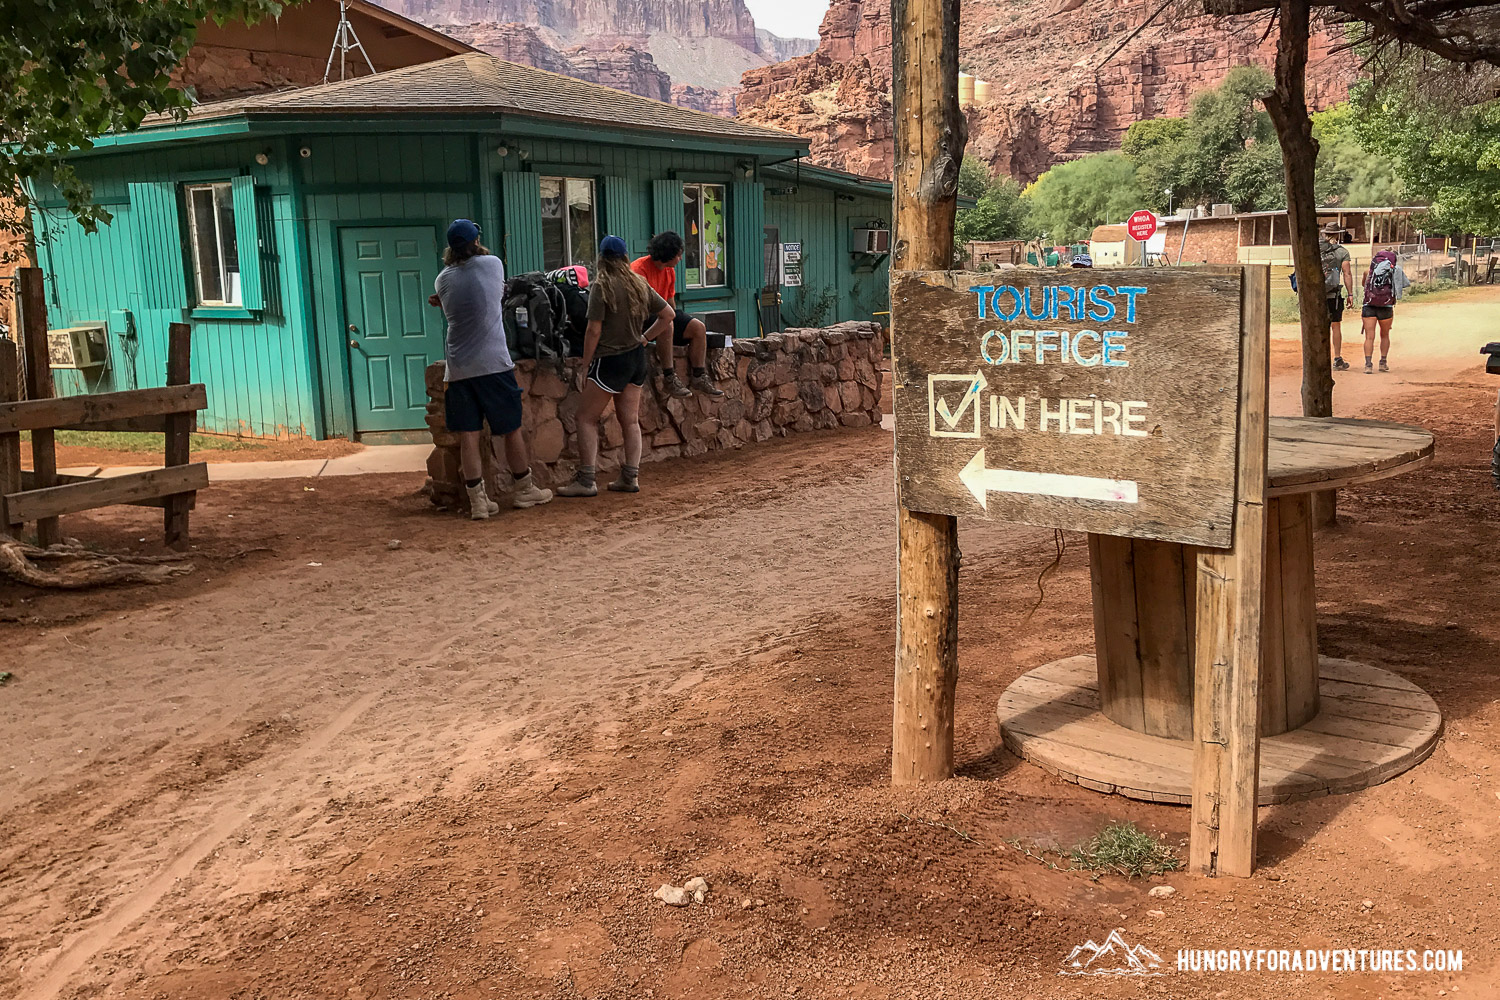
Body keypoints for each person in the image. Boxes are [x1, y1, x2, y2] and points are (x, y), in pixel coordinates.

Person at [428, 219, 553, 519]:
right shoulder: (492, 264)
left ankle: (478, 501)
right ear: (475, 242)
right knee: (510, 429)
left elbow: (453, 307)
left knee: (469, 435)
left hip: (458, 367)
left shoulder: (442, 279)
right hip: (493, 363)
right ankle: (524, 489)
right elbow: (494, 297)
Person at [556, 235, 675, 497]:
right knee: (630, 421)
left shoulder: (602, 287)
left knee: (585, 418)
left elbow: (593, 330)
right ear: (624, 257)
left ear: (601, 258)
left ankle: (587, 479)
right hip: (636, 358)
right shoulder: (639, 283)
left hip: (610, 360)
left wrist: (586, 363)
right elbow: (669, 315)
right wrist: (645, 338)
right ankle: (630, 476)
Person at [630, 231, 725, 399]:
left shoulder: (669, 271)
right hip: (642, 316)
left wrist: (681, 320)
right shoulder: (639, 269)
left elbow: (671, 303)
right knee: (667, 324)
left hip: (663, 312)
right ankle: (669, 376)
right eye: (679, 255)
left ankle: (699, 375)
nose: (680, 259)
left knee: (698, 327)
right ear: (669, 254)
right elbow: (638, 306)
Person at [1359, 248, 1410, 374]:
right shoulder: (1395, 271)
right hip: (1386, 307)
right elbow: (1400, 285)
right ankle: (1382, 362)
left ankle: (1368, 365)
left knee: (1369, 337)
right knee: (1385, 335)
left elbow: (1364, 285)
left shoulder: (1368, 271)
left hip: (1369, 305)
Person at [1318, 221, 1356, 371]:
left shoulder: (1315, 250)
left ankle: (1317, 359)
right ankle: (1337, 358)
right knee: (1335, 326)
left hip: (1315, 295)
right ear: (1338, 235)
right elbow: (1347, 273)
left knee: (1317, 326)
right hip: (1333, 295)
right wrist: (1350, 294)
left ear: (1325, 234)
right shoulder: (1342, 252)